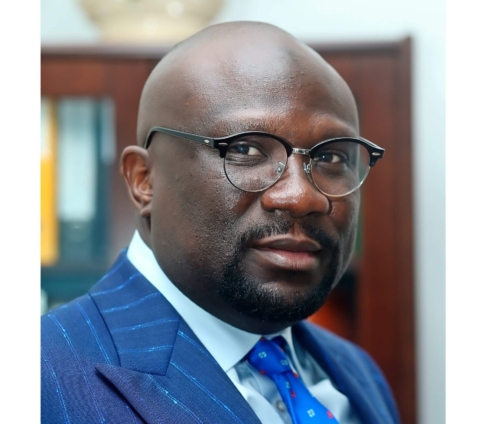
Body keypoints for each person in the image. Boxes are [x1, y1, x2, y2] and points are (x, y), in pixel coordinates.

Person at [41, 21, 400, 424]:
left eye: (331, 157)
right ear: (144, 180)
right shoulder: (40, 380)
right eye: (245, 150)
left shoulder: (359, 374)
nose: (302, 197)